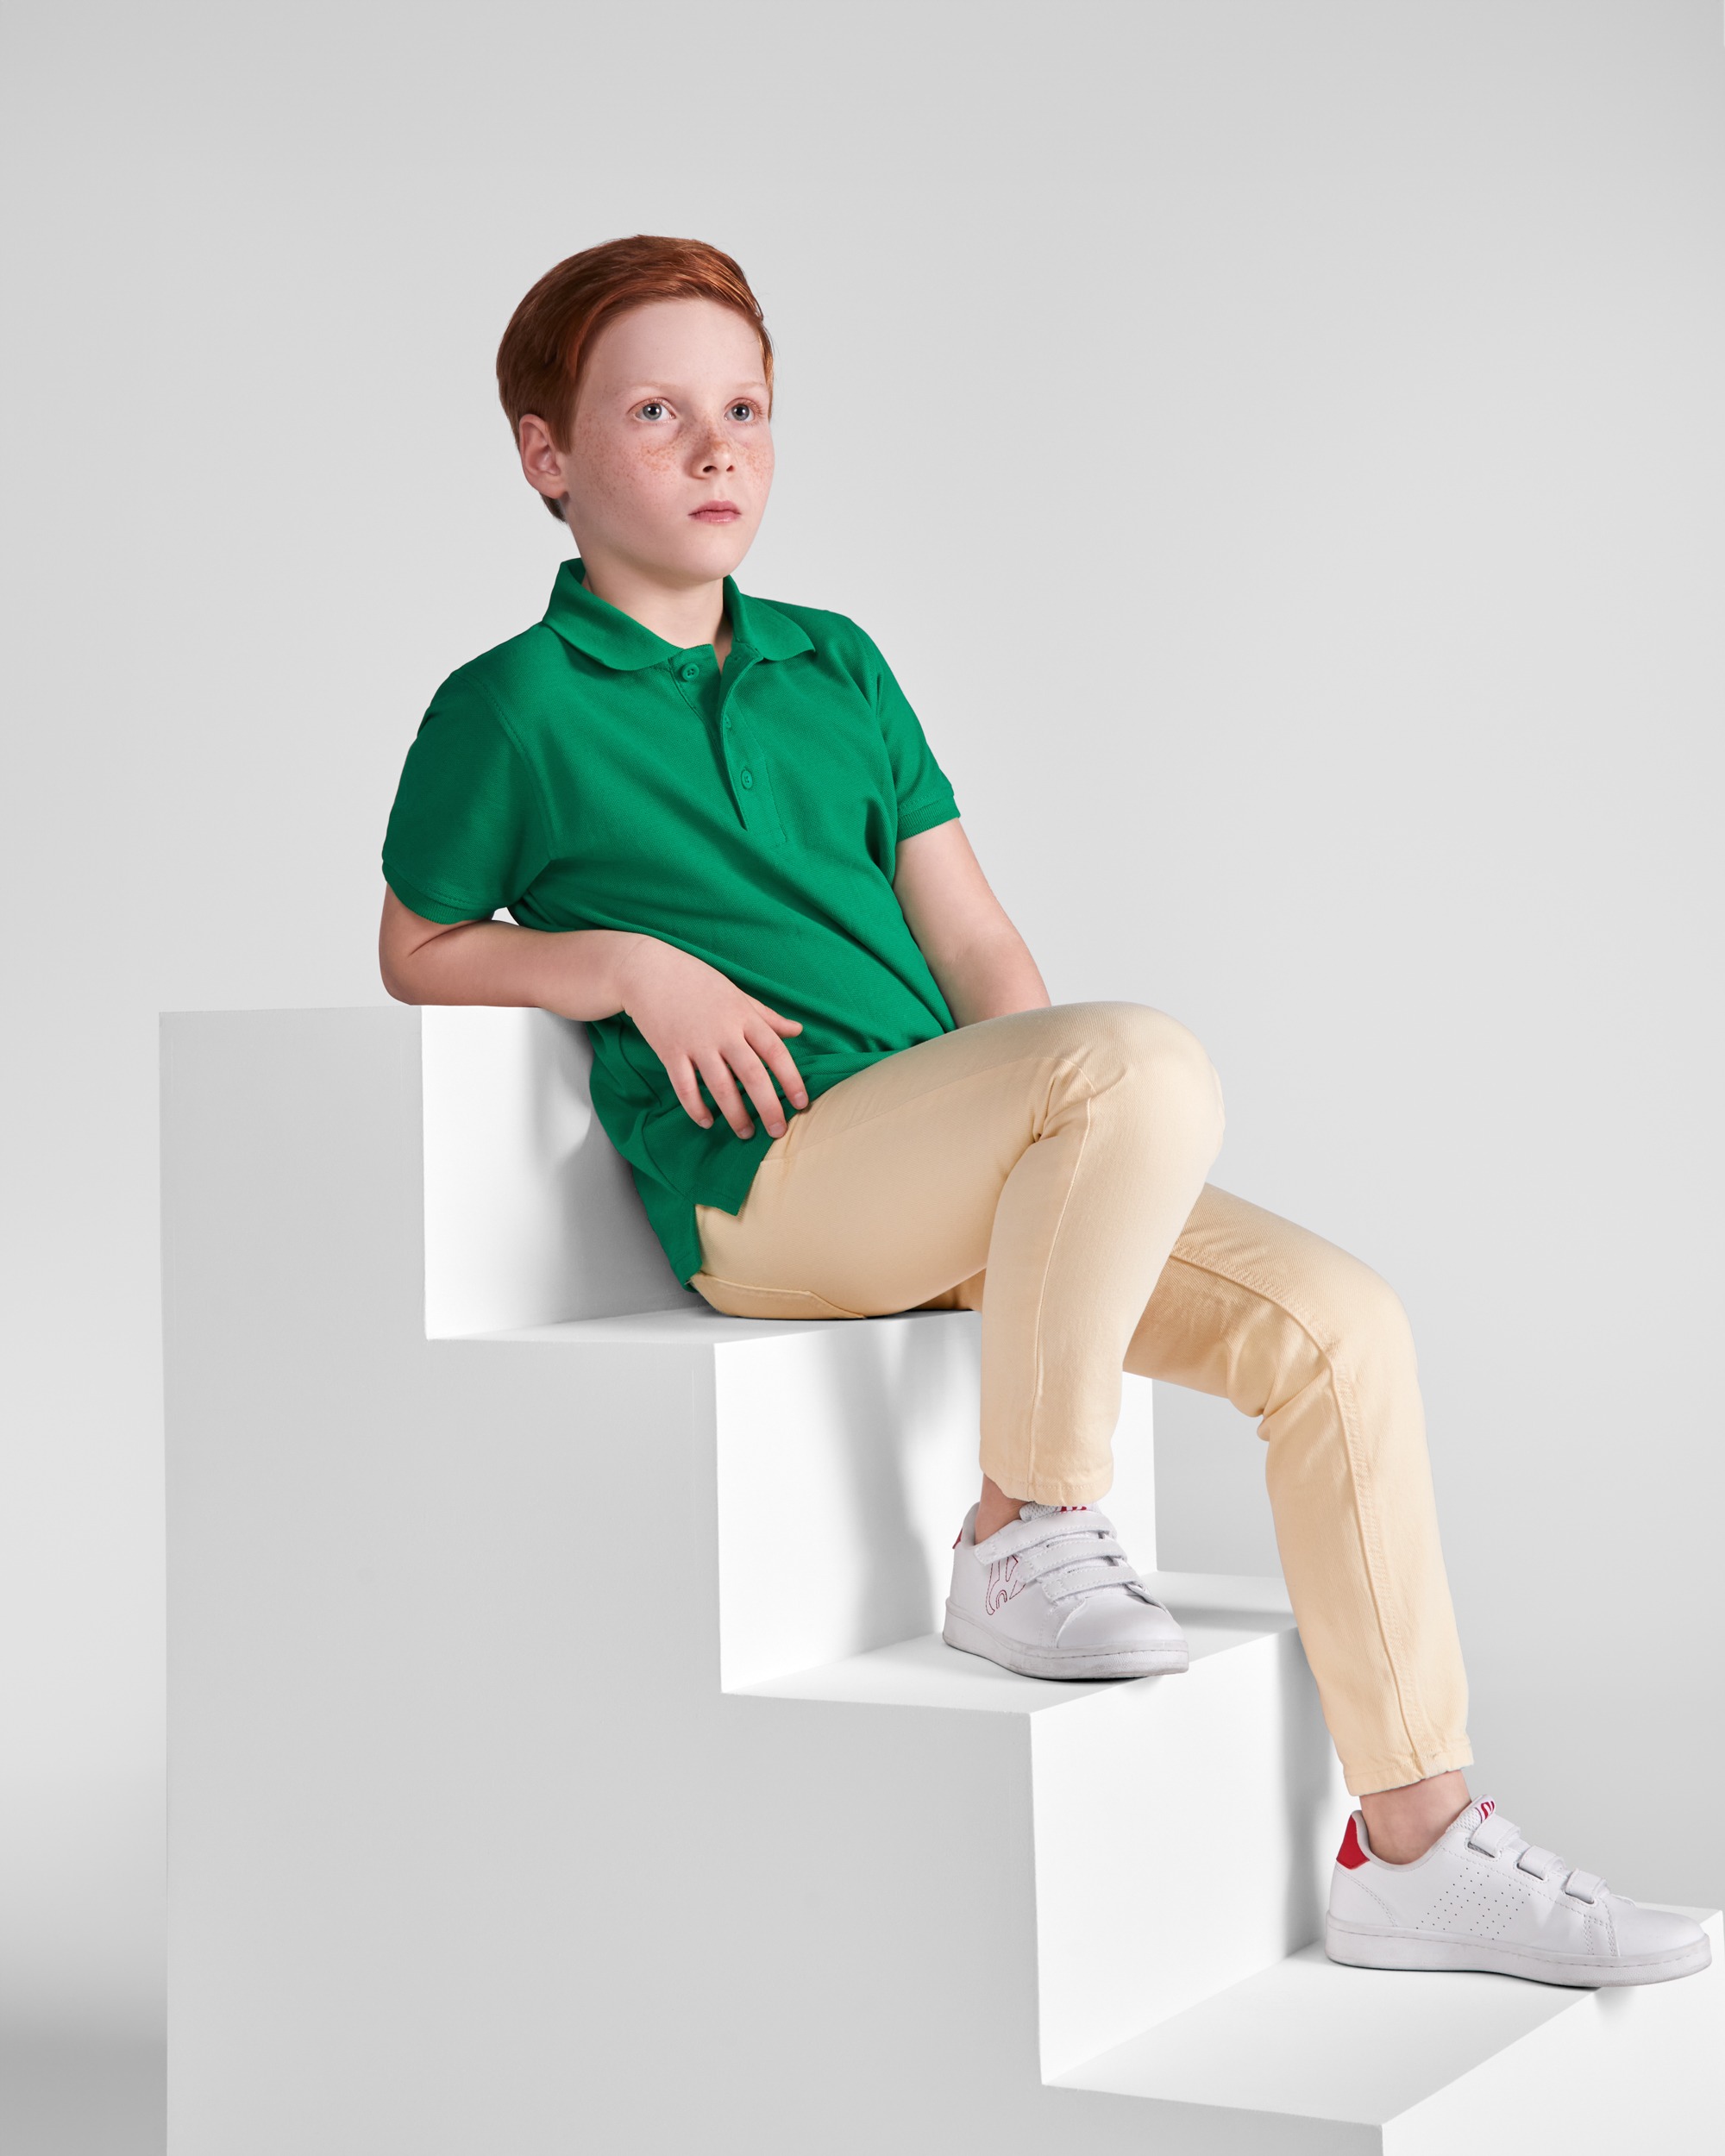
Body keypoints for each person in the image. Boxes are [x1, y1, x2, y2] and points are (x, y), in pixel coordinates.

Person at [378, 234, 1708, 1991]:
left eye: (746, 411)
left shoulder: (838, 665)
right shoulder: (506, 708)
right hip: (767, 1188)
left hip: (943, 1158)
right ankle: (1022, 1529)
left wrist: (1077, 1151)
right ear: (547, 454)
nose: (715, 449)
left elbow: (976, 944)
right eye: (655, 412)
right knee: (1138, 1055)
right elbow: (415, 947)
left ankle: (1416, 1843)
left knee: (1343, 1325)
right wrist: (624, 965)